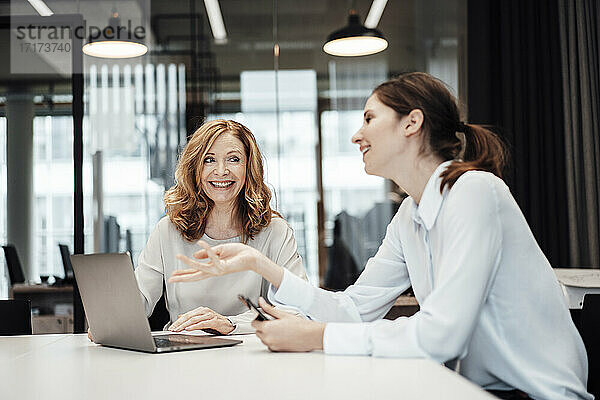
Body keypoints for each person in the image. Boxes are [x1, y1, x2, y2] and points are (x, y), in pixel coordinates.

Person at [169, 73, 592, 399]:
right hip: (473, 391)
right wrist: (260, 265)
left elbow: (442, 335)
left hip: (537, 394)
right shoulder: (410, 214)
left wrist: (313, 336)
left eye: (369, 118)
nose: (357, 134)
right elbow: (354, 307)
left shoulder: (474, 191)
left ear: (412, 123)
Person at [132, 119, 307, 335]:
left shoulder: (275, 231)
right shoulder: (168, 230)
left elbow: (297, 308)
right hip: (182, 355)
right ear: (195, 168)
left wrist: (229, 324)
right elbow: (139, 298)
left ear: (248, 168)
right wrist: (113, 319)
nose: (221, 171)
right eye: (209, 160)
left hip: (250, 355)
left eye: (233, 159)